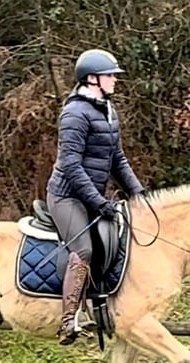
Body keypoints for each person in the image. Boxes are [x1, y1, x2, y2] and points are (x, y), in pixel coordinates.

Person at [46, 48, 146, 345]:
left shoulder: (108, 110)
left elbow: (118, 159)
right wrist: (98, 202)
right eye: (110, 75)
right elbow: (71, 165)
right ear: (92, 79)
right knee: (85, 249)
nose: (115, 80)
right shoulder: (74, 113)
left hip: (92, 196)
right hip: (67, 197)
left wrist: (139, 193)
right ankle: (68, 321)